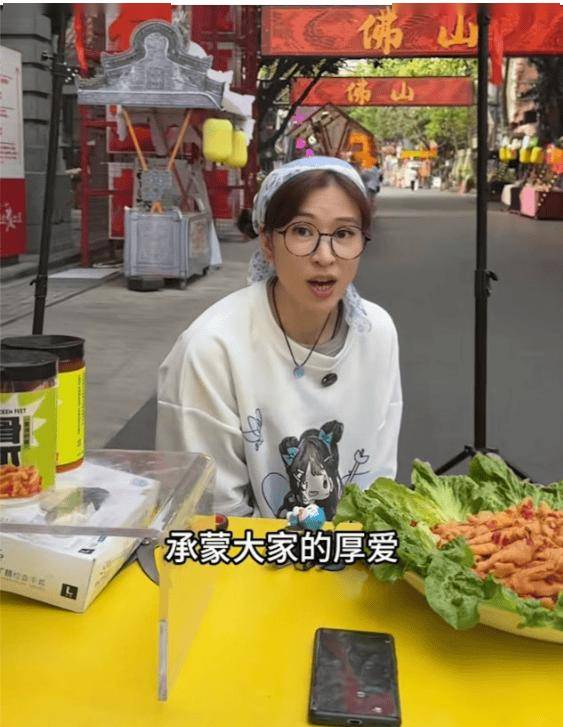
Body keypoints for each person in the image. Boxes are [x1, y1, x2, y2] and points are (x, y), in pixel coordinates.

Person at [157, 156, 402, 519]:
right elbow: (211, 515)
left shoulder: (377, 332)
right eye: (302, 231)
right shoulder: (212, 350)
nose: (325, 256)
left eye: (343, 234)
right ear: (268, 243)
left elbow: (378, 482)